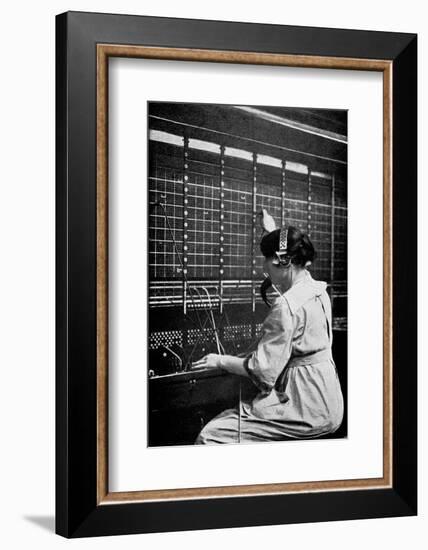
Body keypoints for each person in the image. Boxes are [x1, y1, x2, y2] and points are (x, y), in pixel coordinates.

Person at [192, 211, 344, 444]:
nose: (264, 268)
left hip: (304, 408)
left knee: (211, 435)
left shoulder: (285, 306)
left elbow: (262, 371)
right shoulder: (317, 289)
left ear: (283, 262)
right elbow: (288, 257)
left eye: (267, 261)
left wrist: (218, 360)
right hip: (329, 401)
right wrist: (272, 232)